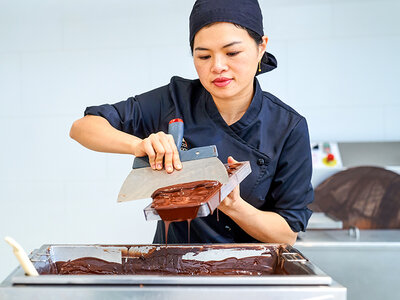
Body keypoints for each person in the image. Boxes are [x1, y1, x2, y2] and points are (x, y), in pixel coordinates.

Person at [70, 0, 313, 246]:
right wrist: (138, 145)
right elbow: (83, 128)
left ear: (261, 47)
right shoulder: (175, 99)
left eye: (232, 53)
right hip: (171, 270)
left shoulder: (288, 127)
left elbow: (287, 234)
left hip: (247, 274)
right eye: (204, 56)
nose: (217, 66)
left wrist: (234, 206)